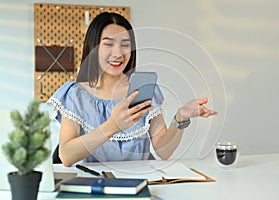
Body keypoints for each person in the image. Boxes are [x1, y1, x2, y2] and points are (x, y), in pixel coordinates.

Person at [47, 12, 217, 167]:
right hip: (95, 184)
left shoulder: (143, 89)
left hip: (141, 183)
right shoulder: (76, 95)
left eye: (125, 45)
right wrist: (112, 126)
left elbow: (163, 151)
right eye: (108, 44)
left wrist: (181, 118)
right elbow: (66, 156)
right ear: (94, 47)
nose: (118, 53)